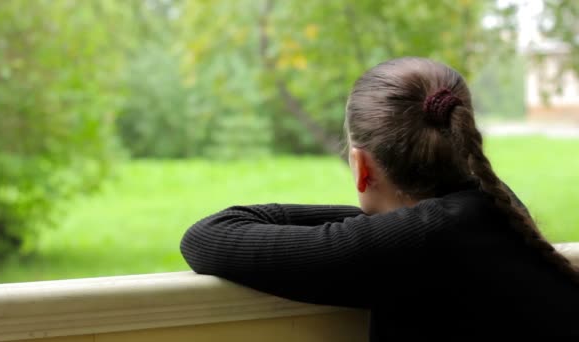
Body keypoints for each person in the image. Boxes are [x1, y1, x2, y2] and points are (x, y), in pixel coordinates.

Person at [180, 57, 579, 340]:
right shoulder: (496, 208)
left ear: (361, 166)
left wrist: (362, 227)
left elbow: (207, 237)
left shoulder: (420, 243)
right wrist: (368, 225)